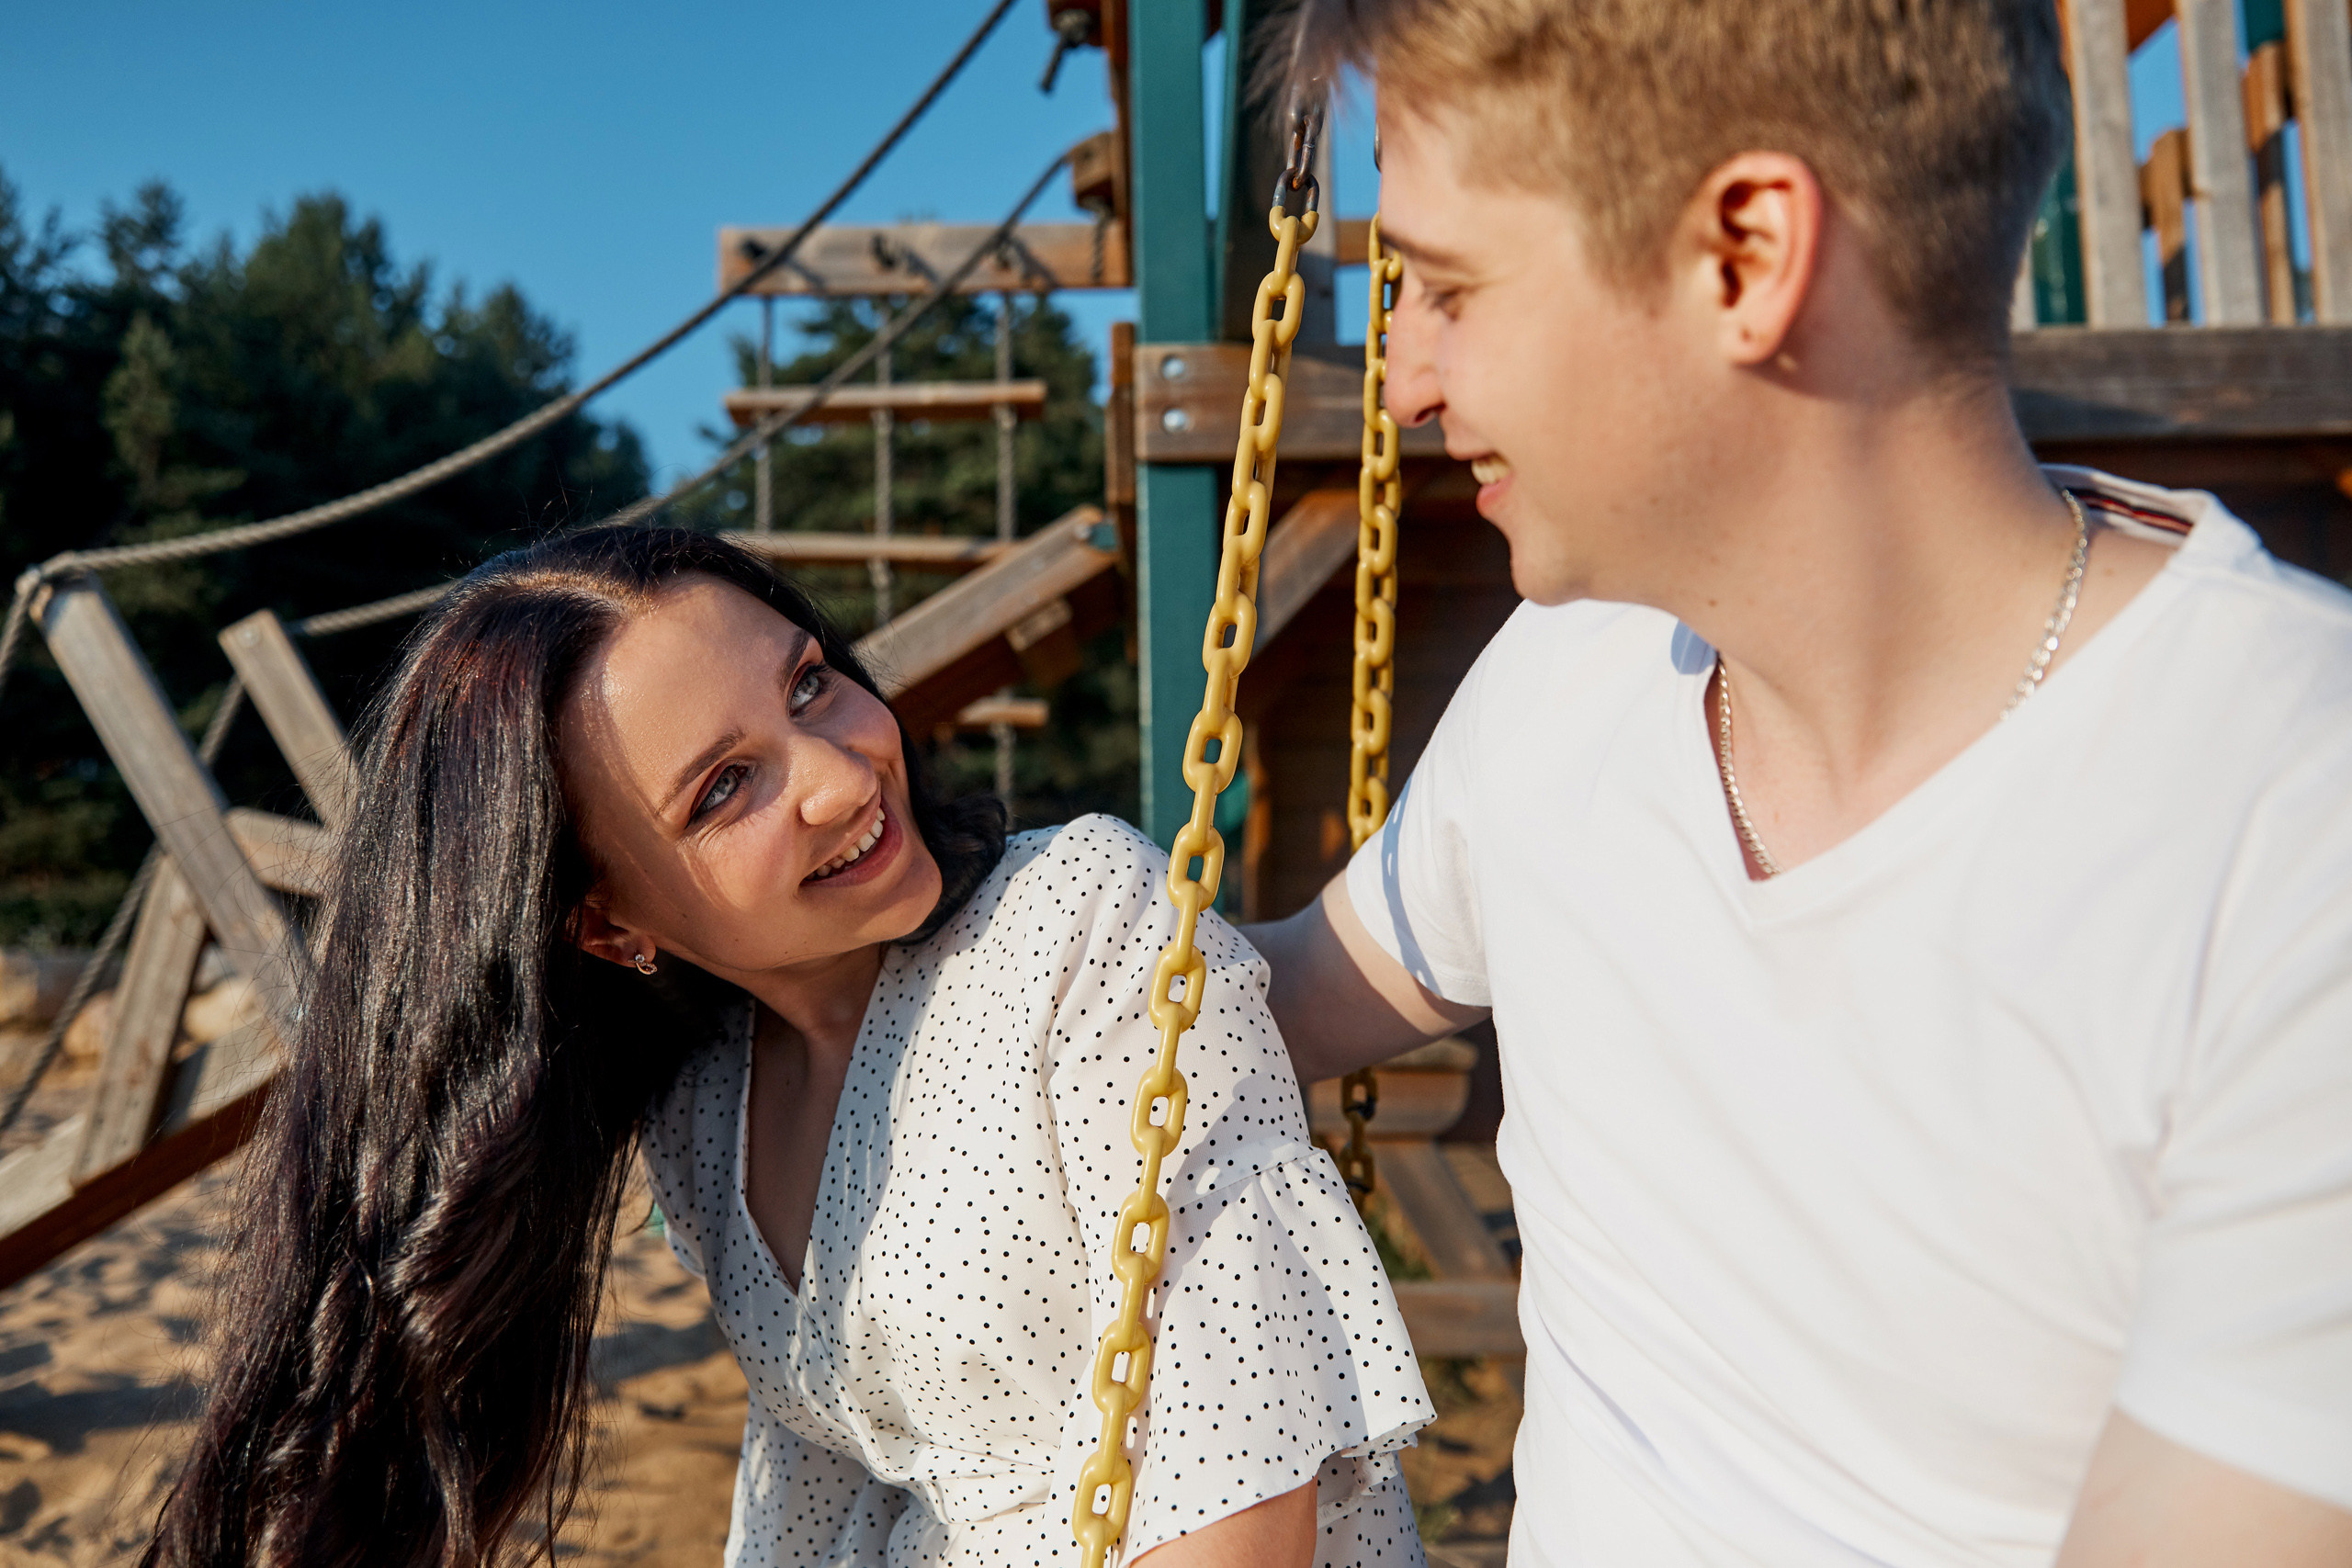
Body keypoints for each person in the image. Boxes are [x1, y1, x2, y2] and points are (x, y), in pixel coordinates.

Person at [1246, 3, 2352, 1564]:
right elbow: (1265, 1002)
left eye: (1447, 287)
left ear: (1746, 256)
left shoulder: (2294, 826)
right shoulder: (1576, 676)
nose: (1406, 377)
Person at [145, 527, 1432, 1568]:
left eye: (810, 682)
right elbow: (812, 1492)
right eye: (726, 787)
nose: (841, 772)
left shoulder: (1078, 926)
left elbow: (1246, 1485)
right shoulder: (709, 1108)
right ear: (606, 923)